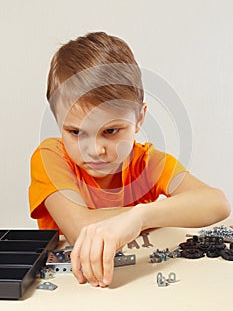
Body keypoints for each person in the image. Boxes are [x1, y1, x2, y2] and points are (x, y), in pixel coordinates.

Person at [29, 31, 230, 288]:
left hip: (139, 285)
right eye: (76, 132)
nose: (95, 150)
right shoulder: (50, 158)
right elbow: (79, 227)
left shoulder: (147, 162)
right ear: (58, 122)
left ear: (139, 118)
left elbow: (217, 203)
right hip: (74, 290)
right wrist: (147, 216)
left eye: (111, 131)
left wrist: (140, 217)